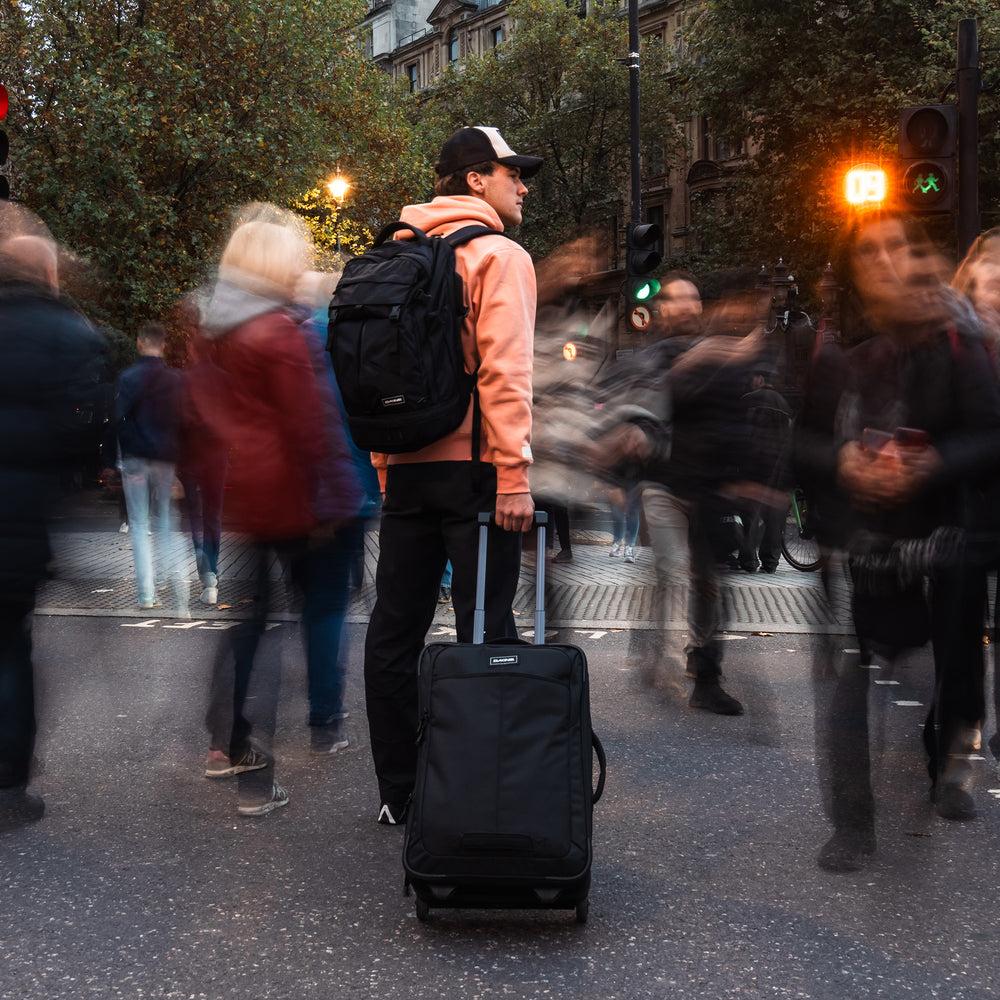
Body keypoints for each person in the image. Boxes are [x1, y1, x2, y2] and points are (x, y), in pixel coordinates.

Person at [799, 211, 1000, 872]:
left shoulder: (954, 341)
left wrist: (930, 464)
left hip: (948, 538)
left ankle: (947, 759)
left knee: (956, 668)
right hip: (872, 545)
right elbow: (801, 443)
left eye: (899, 246)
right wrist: (844, 463)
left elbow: (989, 434)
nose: (886, 260)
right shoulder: (836, 347)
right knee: (856, 680)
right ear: (852, 270)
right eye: (869, 251)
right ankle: (852, 824)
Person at [363, 126, 541, 825]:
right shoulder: (499, 256)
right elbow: (506, 372)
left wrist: (386, 470)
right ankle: (476, 792)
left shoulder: (391, 253)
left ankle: (399, 793)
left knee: (394, 633)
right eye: (512, 173)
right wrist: (513, 474)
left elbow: (375, 375)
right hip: (475, 475)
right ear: (475, 179)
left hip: (406, 473)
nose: (522, 187)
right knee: (484, 632)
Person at [189, 206, 330, 817]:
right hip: (286, 495)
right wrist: (327, 498)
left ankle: (223, 744)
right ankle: (256, 779)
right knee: (277, 633)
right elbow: (308, 426)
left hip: (240, 491)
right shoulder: (277, 332)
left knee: (246, 623)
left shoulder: (214, 329)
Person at [0, 226, 106, 829]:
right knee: (10, 649)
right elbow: (81, 427)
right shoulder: (67, 332)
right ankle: (8, 784)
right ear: (48, 275)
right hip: (18, 517)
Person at [115, 322, 188, 613]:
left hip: (135, 457)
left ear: (139, 342)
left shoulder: (127, 377)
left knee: (139, 524)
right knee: (166, 520)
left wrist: (118, 455)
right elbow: (181, 422)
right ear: (164, 345)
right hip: (165, 458)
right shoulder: (175, 380)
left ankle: (146, 594)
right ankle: (171, 580)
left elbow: (119, 420)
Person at [737, 366, 792, 573]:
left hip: (752, 463)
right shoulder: (784, 404)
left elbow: (740, 434)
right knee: (775, 516)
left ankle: (749, 560)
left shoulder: (747, 400)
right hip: (778, 465)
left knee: (750, 513)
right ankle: (771, 561)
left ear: (759, 379)